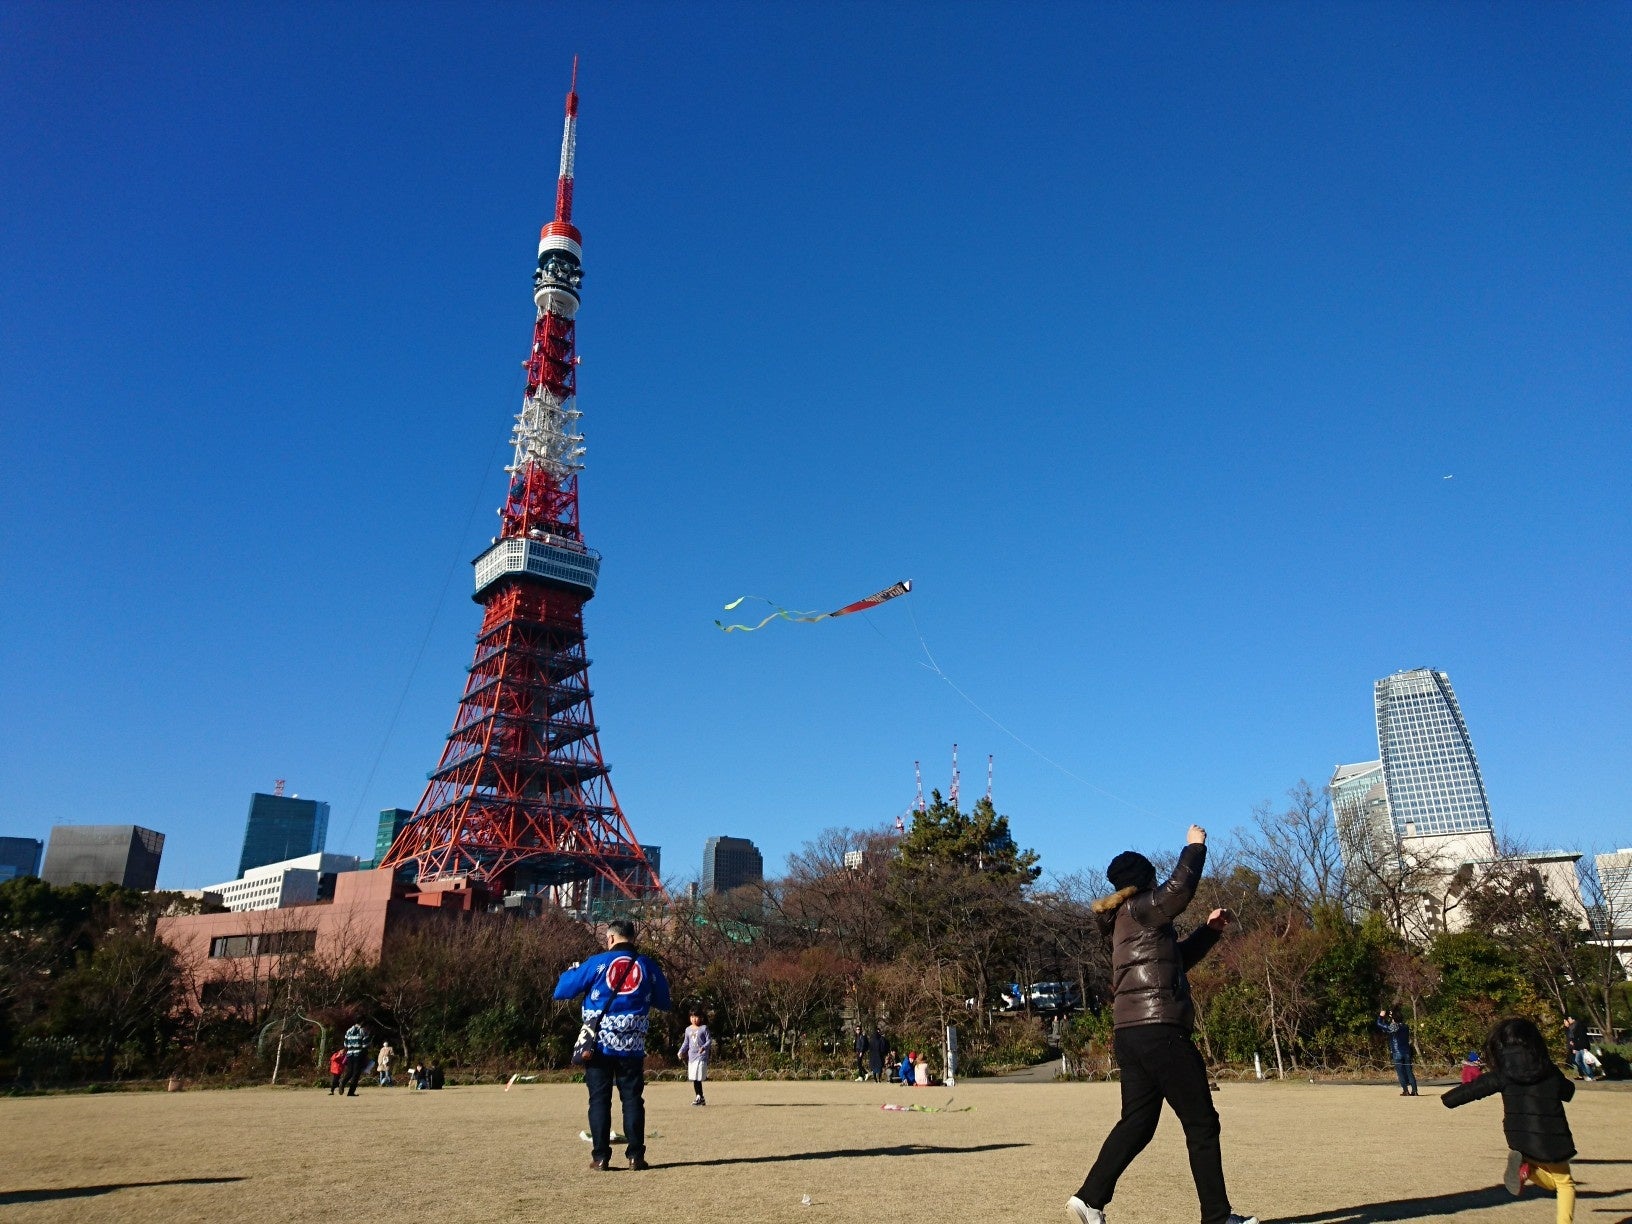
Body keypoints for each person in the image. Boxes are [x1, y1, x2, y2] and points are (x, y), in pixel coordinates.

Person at [1068, 824, 1257, 1224]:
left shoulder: (1125, 920)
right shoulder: (1143, 907)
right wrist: (1194, 847)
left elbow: (1174, 962)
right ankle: (1218, 1217)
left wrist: (1209, 932)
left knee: (1138, 1123)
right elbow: (1179, 890)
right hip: (1160, 1031)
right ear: (1145, 881)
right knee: (1202, 1123)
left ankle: (1089, 1199)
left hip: (1130, 1034)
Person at [553, 918, 671, 1171]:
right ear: (634, 938)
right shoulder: (647, 965)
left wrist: (572, 970)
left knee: (599, 1100)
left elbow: (562, 990)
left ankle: (601, 1157)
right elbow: (664, 1000)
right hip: (632, 1045)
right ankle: (635, 1156)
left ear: (610, 938)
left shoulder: (597, 963)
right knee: (632, 1100)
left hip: (598, 1046)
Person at [1443, 1017, 1577, 1224]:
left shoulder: (1503, 1074)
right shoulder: (1548, 1070)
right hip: (1553, 1138)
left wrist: (1448, 1099)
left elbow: (1476, 1088)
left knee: (1550, 1177)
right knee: (1564, 1183)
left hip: (1519, 1139)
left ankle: (1527, 1170)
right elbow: (1568, 1092)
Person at [1377, 1009, 1418, 1096]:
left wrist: (1381, 1016)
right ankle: (1414, 1090)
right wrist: (1390, 1016)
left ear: (1394, 1018)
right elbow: (1393, 1023)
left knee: (1400, 1072)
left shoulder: (1394, 1027)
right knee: (1409, 1072)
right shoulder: (1405, 1026)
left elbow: (1380, 1025)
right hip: (1407, 1052)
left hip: (1397, 1052)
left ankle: (1405, 1091)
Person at [678, 1008, 712, 1106]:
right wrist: (680, 1051)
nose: (694, 1019)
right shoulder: (688, 1029)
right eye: (692, 1017)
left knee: (698, 1076)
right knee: (694, 1077)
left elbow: (709, 1041)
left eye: (696, 1017)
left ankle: (699, 1096)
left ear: (701, 1018)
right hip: (691, 1056)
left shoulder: (704, 1028)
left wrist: (704, 1047)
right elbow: (686, 1043)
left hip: (701, 1056)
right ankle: (699, 1096)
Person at [340, 1020, 369, 1097]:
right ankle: (351, 1092)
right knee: (356, 1074)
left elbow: (345, 1043)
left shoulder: (348, 1031)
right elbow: (365, 1045)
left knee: (349, 1072)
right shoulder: (363, 1031)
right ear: (362, 1023)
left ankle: (342, 1083)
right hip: (358, 1054)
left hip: (349, 1053)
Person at [1563, 1016, 1594, 1081]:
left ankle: (1590, 1076)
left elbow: (1582, 1037)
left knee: (1585, 1061)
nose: (1569, 1020)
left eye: (1569, 1019)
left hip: (1582, 1047)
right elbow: (1575, 1037)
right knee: (1578, 1060)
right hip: (1578, 1047)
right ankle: (1587, 1073)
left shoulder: (1578, 1026)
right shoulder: (1573, 1027)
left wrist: (1585, 1047)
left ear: (1573, 1019)